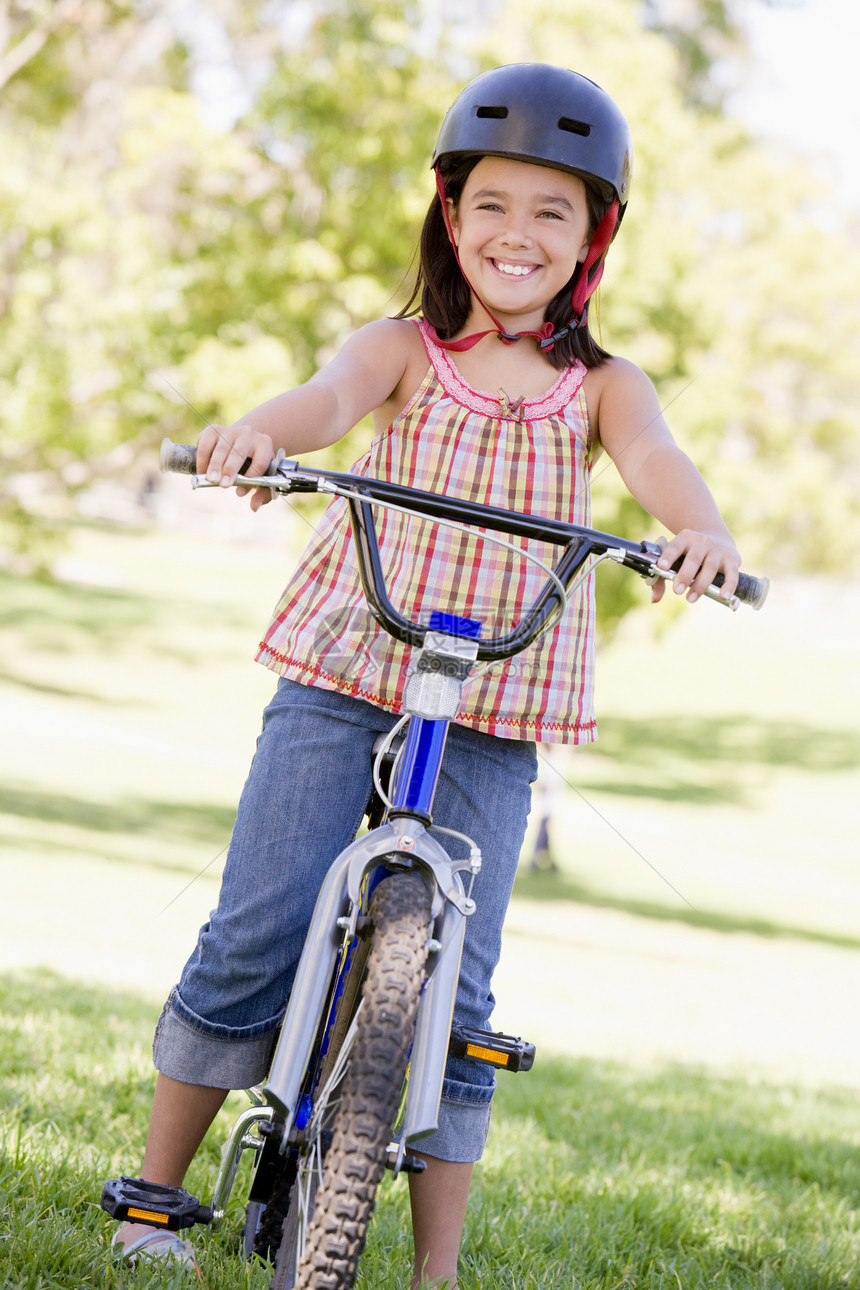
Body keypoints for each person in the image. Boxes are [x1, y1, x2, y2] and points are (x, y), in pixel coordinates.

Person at [111, 63, 740, 1286]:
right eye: (492, 205)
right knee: (257, 923)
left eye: (552, 213)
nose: (517, 234)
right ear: (450, 217)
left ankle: (431, 1266)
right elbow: (322, 400)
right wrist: (257, 434)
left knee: (461, 980)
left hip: (495, 699)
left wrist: (699, 532)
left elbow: (659, 465)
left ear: (590, 239)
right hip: (348, 662)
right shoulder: (399, 347)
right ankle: (155, 1193)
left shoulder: (604, 387)